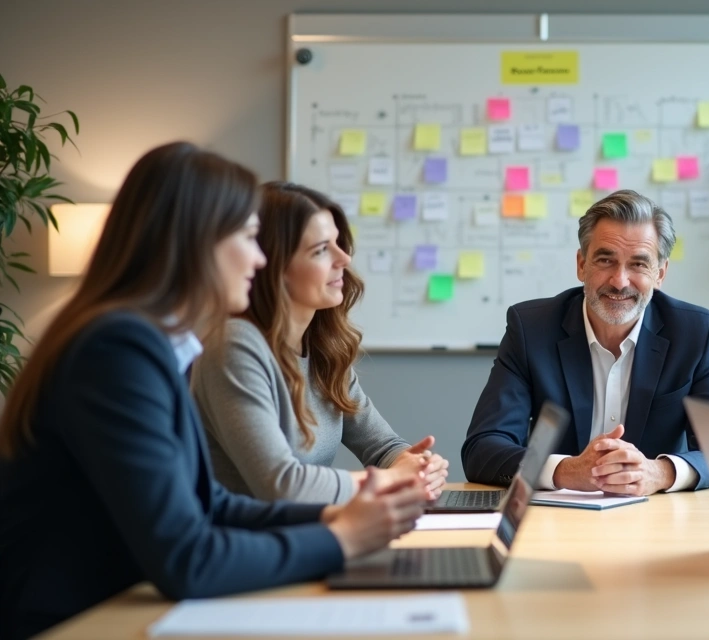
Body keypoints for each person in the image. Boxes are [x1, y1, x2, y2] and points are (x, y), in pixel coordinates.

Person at [0, 143, 429, 640]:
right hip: (71, 622)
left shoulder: (150, 344)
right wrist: (341, 539)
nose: (261, 257)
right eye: (249, 237)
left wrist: (334, 514)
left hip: (114, 606)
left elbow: (210, 504)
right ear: (196, 241)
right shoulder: (116, 351)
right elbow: (188, 559)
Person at [462, 189, 709, 495]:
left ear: (660, 274)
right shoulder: (532, 328)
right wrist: (563, 470)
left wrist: (659, 472)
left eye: (638, 264)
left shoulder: (694, 333)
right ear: (582, 264)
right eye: (605, 260)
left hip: (656, 520)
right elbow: (483, 449)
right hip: (555, 524)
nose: (620, 281)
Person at [191, 182, 448, 504]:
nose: (343, 258)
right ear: (270, 265)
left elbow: (382, 447)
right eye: (321, 250)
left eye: (339, 243)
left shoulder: (323, 349)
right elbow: (282, 485)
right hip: (249, 545)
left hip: (305, 536)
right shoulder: (234, 346)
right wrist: (390, 478)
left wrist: (418, 465)